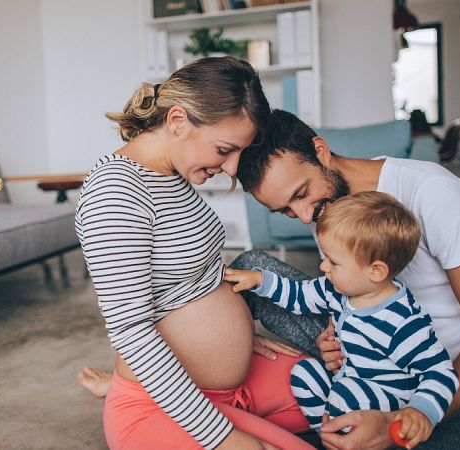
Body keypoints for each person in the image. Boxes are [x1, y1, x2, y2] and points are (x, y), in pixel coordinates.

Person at [231, 109, 460, 450]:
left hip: (459, 391)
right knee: (249, 268)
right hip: (371, 365)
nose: (304, 216)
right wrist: (332, 334)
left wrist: (398, 423)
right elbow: (347, 295)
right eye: (285, 210)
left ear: (321, 151)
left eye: (300, 193)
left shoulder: (432, 192)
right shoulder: (326, 207)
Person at [75, 57, 314, 450]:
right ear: (178, 121)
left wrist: (234, 340)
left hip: (226, 382)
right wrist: (225, 438)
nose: (232, 168)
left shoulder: (172, 172)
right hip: (160, 404)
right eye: (224, 149)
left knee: (343, 398)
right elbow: (131, 331)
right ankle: (122, 397)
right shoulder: (116, 192)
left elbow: (189, 282)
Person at [225, 191, 459, 449]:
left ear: (375, 271)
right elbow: (299, 295)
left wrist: (421, 411)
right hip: (347, 379)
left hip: (384, 399)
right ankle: (330, 437)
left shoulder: (402, 322)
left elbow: (440, 372)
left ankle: (344, 434)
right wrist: (259, 280)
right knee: (304, 374)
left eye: (333, 262)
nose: (323, 267)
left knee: (345, 394)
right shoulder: (337, 289)